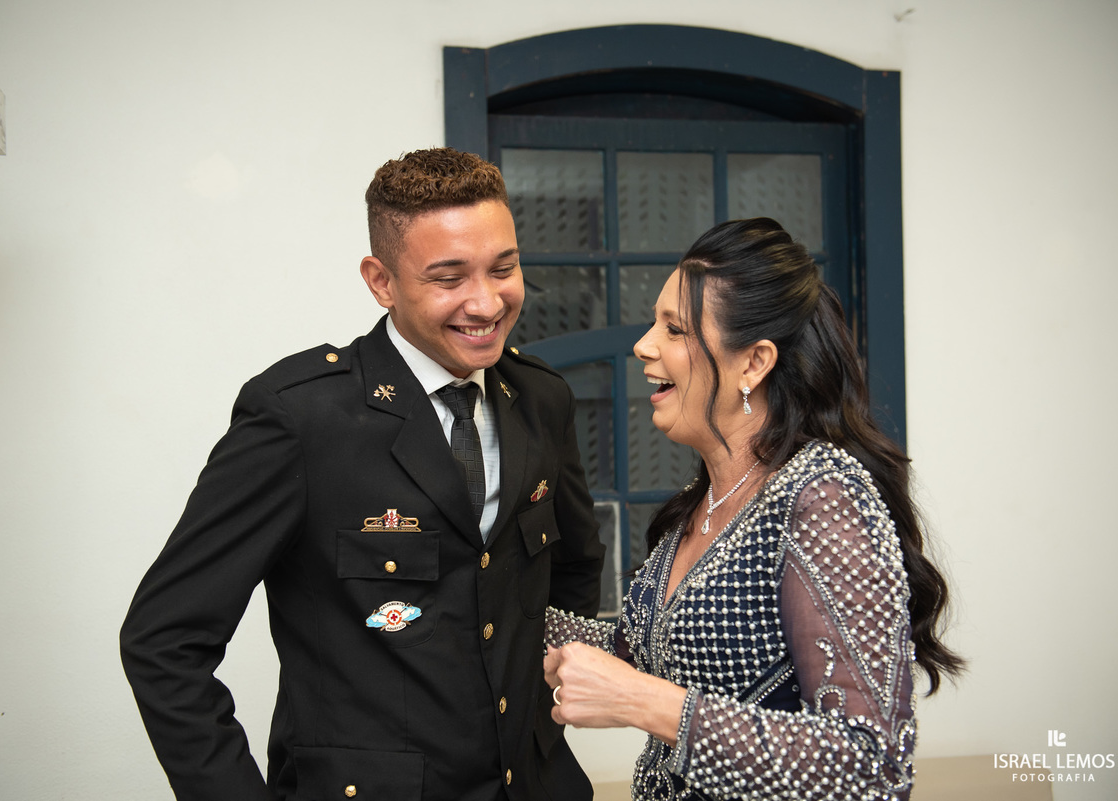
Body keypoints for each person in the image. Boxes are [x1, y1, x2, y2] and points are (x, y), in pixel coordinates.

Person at [120, 147, 605, 801]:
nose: (487, 301)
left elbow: (571, 567)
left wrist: (540, 700)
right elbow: (164, 639)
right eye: (449, 276)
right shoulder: (301, 416)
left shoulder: (540, 396)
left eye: (504, 268)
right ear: (381, 281)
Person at [542, 217, 964, 800]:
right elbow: (633, 652)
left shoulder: (822, 498)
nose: (644, 344)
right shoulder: (705, 504)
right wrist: (491, 601)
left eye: (674, 329)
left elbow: (873, 765)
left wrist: (646, 703)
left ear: (753, 363)